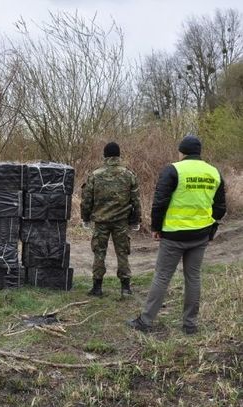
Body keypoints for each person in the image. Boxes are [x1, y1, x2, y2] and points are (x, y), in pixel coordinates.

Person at [127, 134, 226, 334]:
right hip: (200, 235)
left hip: (173, 235)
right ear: (199, 152)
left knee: (162, 276)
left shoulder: (173, 170)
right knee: (194, 277)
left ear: (181, 152)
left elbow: (160, 202)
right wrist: (209, 224)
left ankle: (145, 322)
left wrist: (156, 227)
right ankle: (190, 325)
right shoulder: (214, 172)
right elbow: (220, 207)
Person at [80, 142, 142, 297]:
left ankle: (97, 288)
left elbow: (87, 200)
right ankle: (125, 288)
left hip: (101, 222)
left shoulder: (95, 175)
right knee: (122, 253)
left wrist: (85, 218)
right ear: (118, 156)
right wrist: (135, 220)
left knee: (99, 253)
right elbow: (136, 201)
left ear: (105, 156)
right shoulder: (128, 175)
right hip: (121, 221)